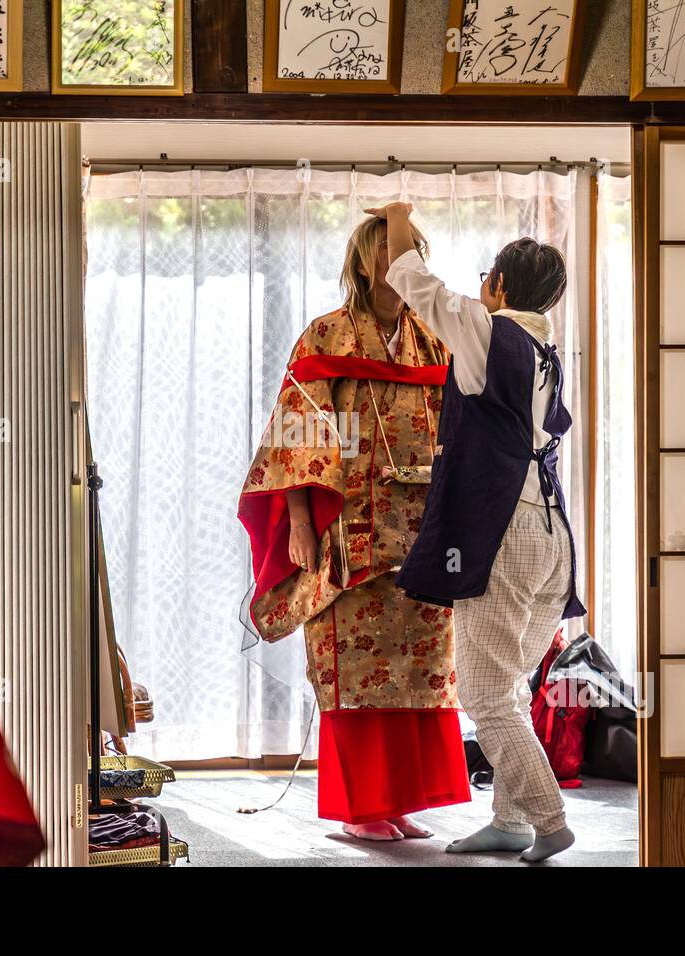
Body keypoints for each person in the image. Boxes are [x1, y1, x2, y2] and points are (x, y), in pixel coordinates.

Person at [237, 215, 470, 841]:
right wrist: (299, 521)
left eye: (413, 249)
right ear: (367, 262)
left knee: (418, 670)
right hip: (349, 531)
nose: (404, 259)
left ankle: (401, 801)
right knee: (355, 672)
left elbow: (460, 431)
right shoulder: (325, 338)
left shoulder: (431, 340)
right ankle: (362, 810)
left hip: (420, 533)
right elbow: (297, 435)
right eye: (394, 250)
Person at [372, 201, 584, 863]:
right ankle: (513, 822)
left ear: (496, 286)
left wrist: (398, 213)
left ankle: (549, 819)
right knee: (511, 688)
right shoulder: (547, 353)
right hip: (553, 537)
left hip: (505, 531)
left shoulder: (486, 331)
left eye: (486, 279)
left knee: (486, 692)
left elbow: (409, 275)